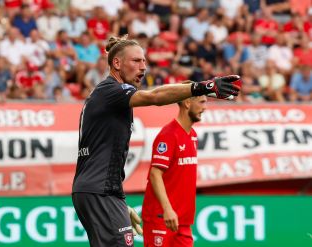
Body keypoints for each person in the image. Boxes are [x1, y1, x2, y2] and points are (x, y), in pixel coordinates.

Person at [71, 35, 241, 247]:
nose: (143, 67)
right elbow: (154, 97)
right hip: (100, 191)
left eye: (144, 61)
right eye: (136, 61)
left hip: (101, 191)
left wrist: (119, 205)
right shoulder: (111, 91)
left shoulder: (109, 97)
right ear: (116, 63)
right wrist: (202, 87)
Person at [141, 95, 207, 247]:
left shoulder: (193, 136)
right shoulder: (168, 135)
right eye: (202, 102)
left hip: (182, 221)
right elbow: (154, 174)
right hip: (161, 217)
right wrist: (167, 209)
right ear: (187, 103)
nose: (205, 107)